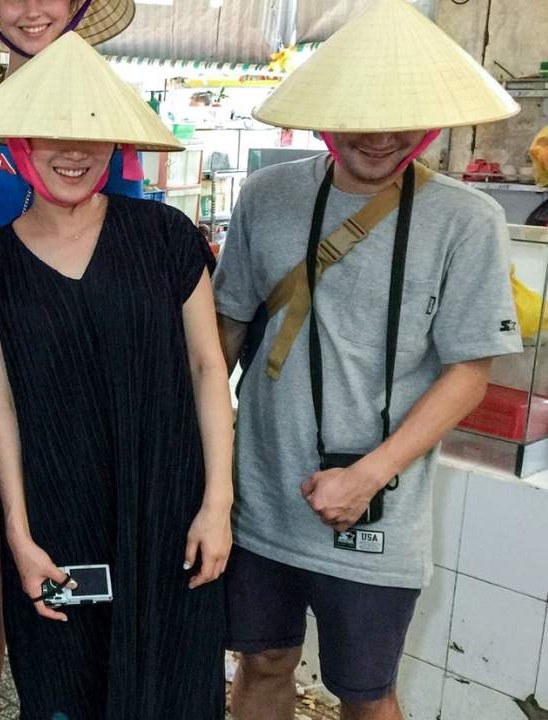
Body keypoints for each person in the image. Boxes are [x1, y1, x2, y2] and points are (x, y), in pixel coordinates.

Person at [211, 2, 522, 719]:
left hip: (377, 504)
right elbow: (223, 329)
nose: (380, 136)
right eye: (361, 114)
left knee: (365, 689)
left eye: (401, 117)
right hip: (257, 491)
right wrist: (200, 450)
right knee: (260, 660)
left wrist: (367, 474)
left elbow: (470, 369)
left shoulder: (465, 221)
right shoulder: (267, 195)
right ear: (327, 113)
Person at [0, 33, 233, 718]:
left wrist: (217, 505)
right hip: (56, 521)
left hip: (170, 511)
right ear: (18, 144)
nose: (73, 152)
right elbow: (1, 409)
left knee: (174, 693)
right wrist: (17, 532)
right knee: (64, 693)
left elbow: (206, 367)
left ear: (116, 146)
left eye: (92, 135)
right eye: (52, 134)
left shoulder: (164, 235)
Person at [0, 0, 140, 287]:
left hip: (60, 315)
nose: (32, 10)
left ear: (73, 6)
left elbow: (125, 237)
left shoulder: (108, 114)